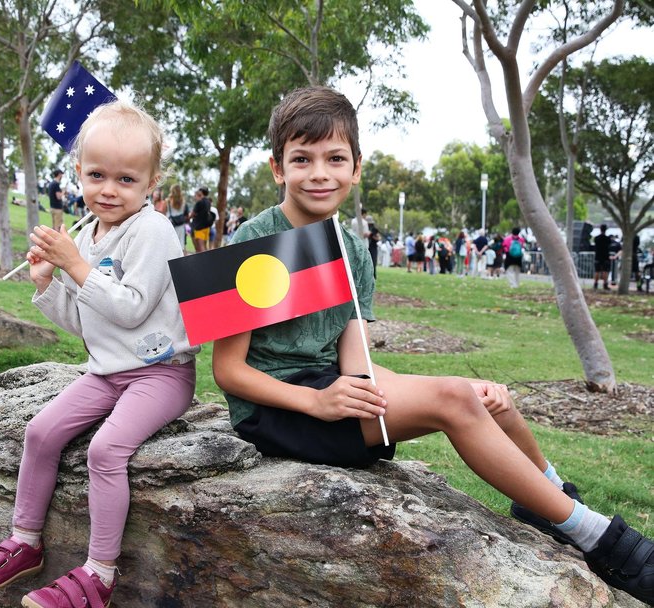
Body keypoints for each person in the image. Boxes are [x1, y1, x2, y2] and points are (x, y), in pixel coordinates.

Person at [210, 86, 654, 606]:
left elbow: (355, 357)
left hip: (331, 390)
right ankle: (600, 537)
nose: (319, 173)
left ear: (356, 168)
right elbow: (228, 372)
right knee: (454, 400)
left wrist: (394, 387)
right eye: (301, 159)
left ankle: (550, 501)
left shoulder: (353, 249)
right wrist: (316, 401)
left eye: (335, 158)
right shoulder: (252, 242)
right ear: (277, 168)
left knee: (490, 397)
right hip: (277, 410)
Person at [0, 100, 199, 608]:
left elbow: (131, 310)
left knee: (105, 450)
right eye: (97, 175)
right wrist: (49, 283)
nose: (109, 189)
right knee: (40, 432)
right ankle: (24, 541)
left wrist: (76, 266)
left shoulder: (153, 231)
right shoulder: (88, 234)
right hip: (108, 370)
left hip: (160, 374)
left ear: (151, 183)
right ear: (78, 172)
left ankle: (99, 574)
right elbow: (88, 320)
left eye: (127, 179)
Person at [189, 186, 213, 253]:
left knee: (200, 248)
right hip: (206, 228)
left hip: (198, 227)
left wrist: (188, 217)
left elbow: (192, 214)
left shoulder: (199, 202)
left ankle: (203, 262)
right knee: (205, 247)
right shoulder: (208, 202)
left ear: (201, 192)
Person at [166, 183, 189, 251]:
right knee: (181, 246)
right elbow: (186, 215)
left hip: (170, 224)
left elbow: (165, 213)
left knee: (170, 246)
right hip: (181, 226)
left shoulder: (168, 201)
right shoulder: (183, 202)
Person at [592, 224, 611, 291]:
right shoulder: (608, 239)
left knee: (597, 271)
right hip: (605, 257)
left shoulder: (596, 238)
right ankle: (605, 284)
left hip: (598, 256)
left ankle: (595, 284)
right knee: (605, 271)